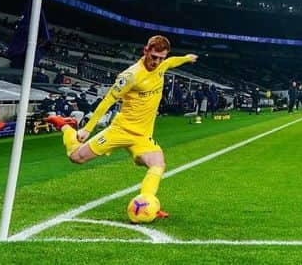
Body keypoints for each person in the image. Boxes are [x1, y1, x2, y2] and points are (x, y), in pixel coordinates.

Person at [46, 35, 197, 219]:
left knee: (158, 164)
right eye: (154, 57)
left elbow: (172, 62)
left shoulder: (162, 66)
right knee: (76, 157)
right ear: (146, 51)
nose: (156, 62)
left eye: (160, 58)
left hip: (142, 136)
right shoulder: (131, 76)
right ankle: (66, 127)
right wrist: (87, 128)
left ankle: (148, 204)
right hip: (120, 130)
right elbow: (108, 100)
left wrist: (186, 58)